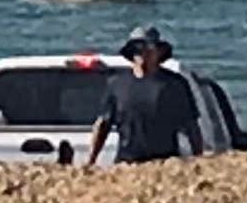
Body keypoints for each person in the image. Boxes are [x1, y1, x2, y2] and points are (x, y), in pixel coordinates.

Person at [85, 27, 202, 165]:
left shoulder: (174, 85)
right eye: (138, 48)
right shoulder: (117, 84)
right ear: (132, 52)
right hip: (126, 162)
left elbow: (191, 126)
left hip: (164, 162)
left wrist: (197, 160)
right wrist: (91, 161)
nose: (143, 53)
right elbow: (103, 124)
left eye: (149, 48)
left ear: (159, 52)